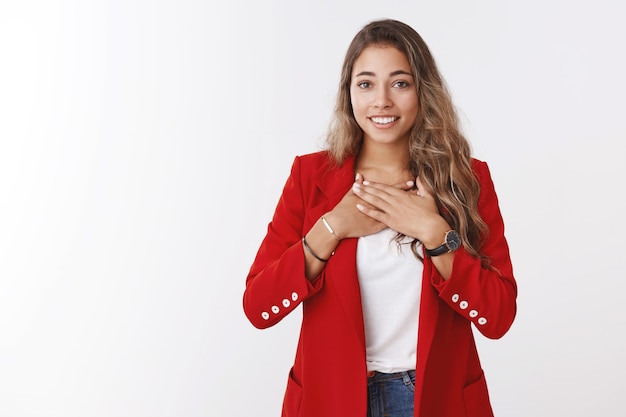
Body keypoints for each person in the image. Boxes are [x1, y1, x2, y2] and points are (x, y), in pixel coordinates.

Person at [243, 18, 517, 417]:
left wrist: (435, 233)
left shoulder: (467, 180)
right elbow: (257, 305)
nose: (382, 100)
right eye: (366, 83)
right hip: (332, 401)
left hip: (433, 399)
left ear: (423, 91)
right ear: (349, 93)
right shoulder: (310, 177)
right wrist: (331, 228)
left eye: (400, 83)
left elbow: (499, 315)